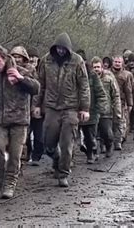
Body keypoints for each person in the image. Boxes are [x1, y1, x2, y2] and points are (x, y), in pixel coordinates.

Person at [33, 32, 90, 187]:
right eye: (58, 48)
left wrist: (84, 108)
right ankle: (56, 158)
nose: (60, 51)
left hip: (71, 108)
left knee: (67, 144)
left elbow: (84, 86)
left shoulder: (77, 61)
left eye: (63, 48)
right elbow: (40, 84)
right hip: (51, 107)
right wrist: (37, 105)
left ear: (68, 49)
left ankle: (64, 173)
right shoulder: (46, 60)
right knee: (48, 142)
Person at [0, 45, 39, 198]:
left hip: (19, 120)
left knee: (15, 155)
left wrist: (20, 79)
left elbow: (36, 88)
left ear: (5, 59)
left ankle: (10, 182)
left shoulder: (22, 71)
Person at [75, 49, 107, 164]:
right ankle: (69, 159)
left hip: (91, 111)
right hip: (74, 110)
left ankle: (90, 154)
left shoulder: (92, 75)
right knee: (72, 137)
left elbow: (101, 93)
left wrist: (99, 109)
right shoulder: (71, 74)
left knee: (89, 136)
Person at [91, 57, 121, 157]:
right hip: (93, 111)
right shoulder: (88, 79)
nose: (96, 69)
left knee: (106, 133)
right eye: (94, 67)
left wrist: (117, 110)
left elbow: (115, 95)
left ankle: (109, 146)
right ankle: (93, 153)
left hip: (106, 111)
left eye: (98, 67)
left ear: (102, 67)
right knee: (92, 134)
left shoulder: (109, 79)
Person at [24, 47, 44, 165]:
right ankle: (27, 154)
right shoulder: (24, 71)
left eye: (34, 58)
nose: (32, 60)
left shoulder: (42, 71)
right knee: (25, 136)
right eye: (30, 58)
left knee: (39, 136)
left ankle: (37, 156)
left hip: (39, 109)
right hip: (26, 108)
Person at [110, 55, 134, 150]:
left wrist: (130, 104)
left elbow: (129, 90)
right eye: (115, 61)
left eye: (119, 62)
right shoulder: (108, 73)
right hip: (109, 101)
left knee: (119, 121)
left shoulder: (126, 75)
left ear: (122, 63)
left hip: (121, 101)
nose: (117, 63)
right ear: (113, 62)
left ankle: (118, 141)